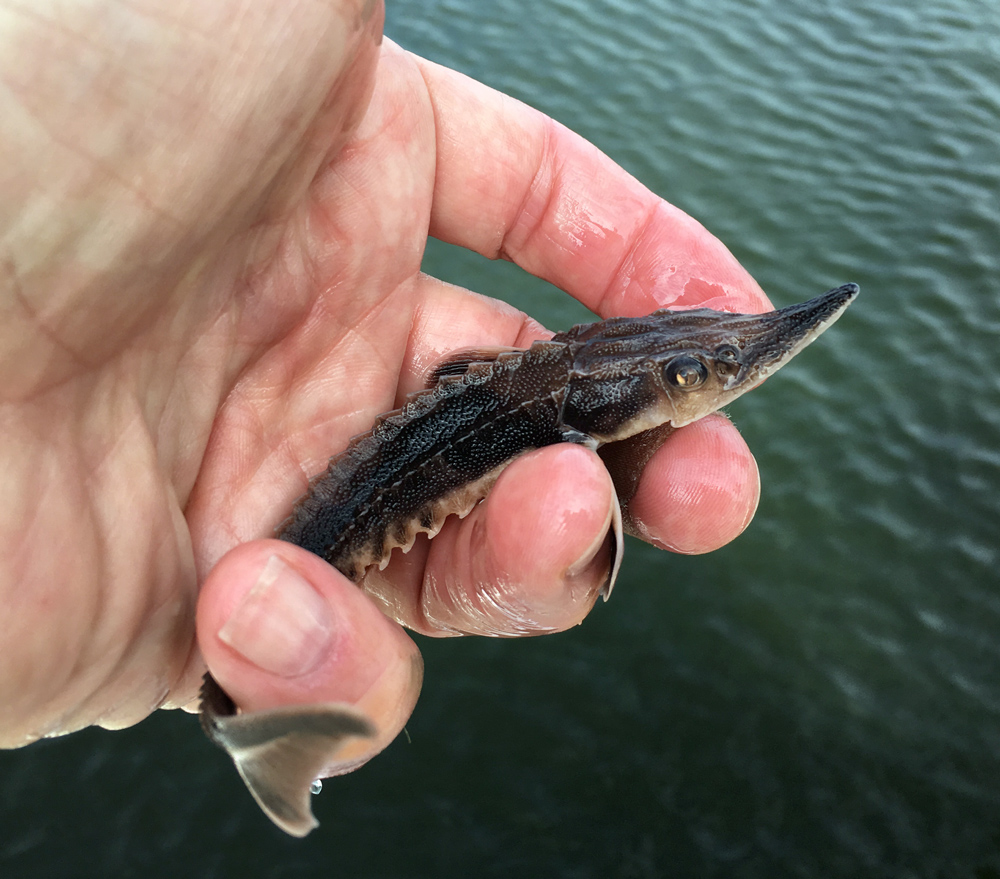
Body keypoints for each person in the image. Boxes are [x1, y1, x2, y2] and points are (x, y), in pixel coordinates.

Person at [0, 0, 766, 771]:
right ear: (599, 410)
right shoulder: (571, 427)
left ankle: (261, 737)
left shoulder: (573, 407)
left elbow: (455, 379)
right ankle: (258, 741)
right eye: (690, 373)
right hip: (329, 526)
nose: (708, 380)